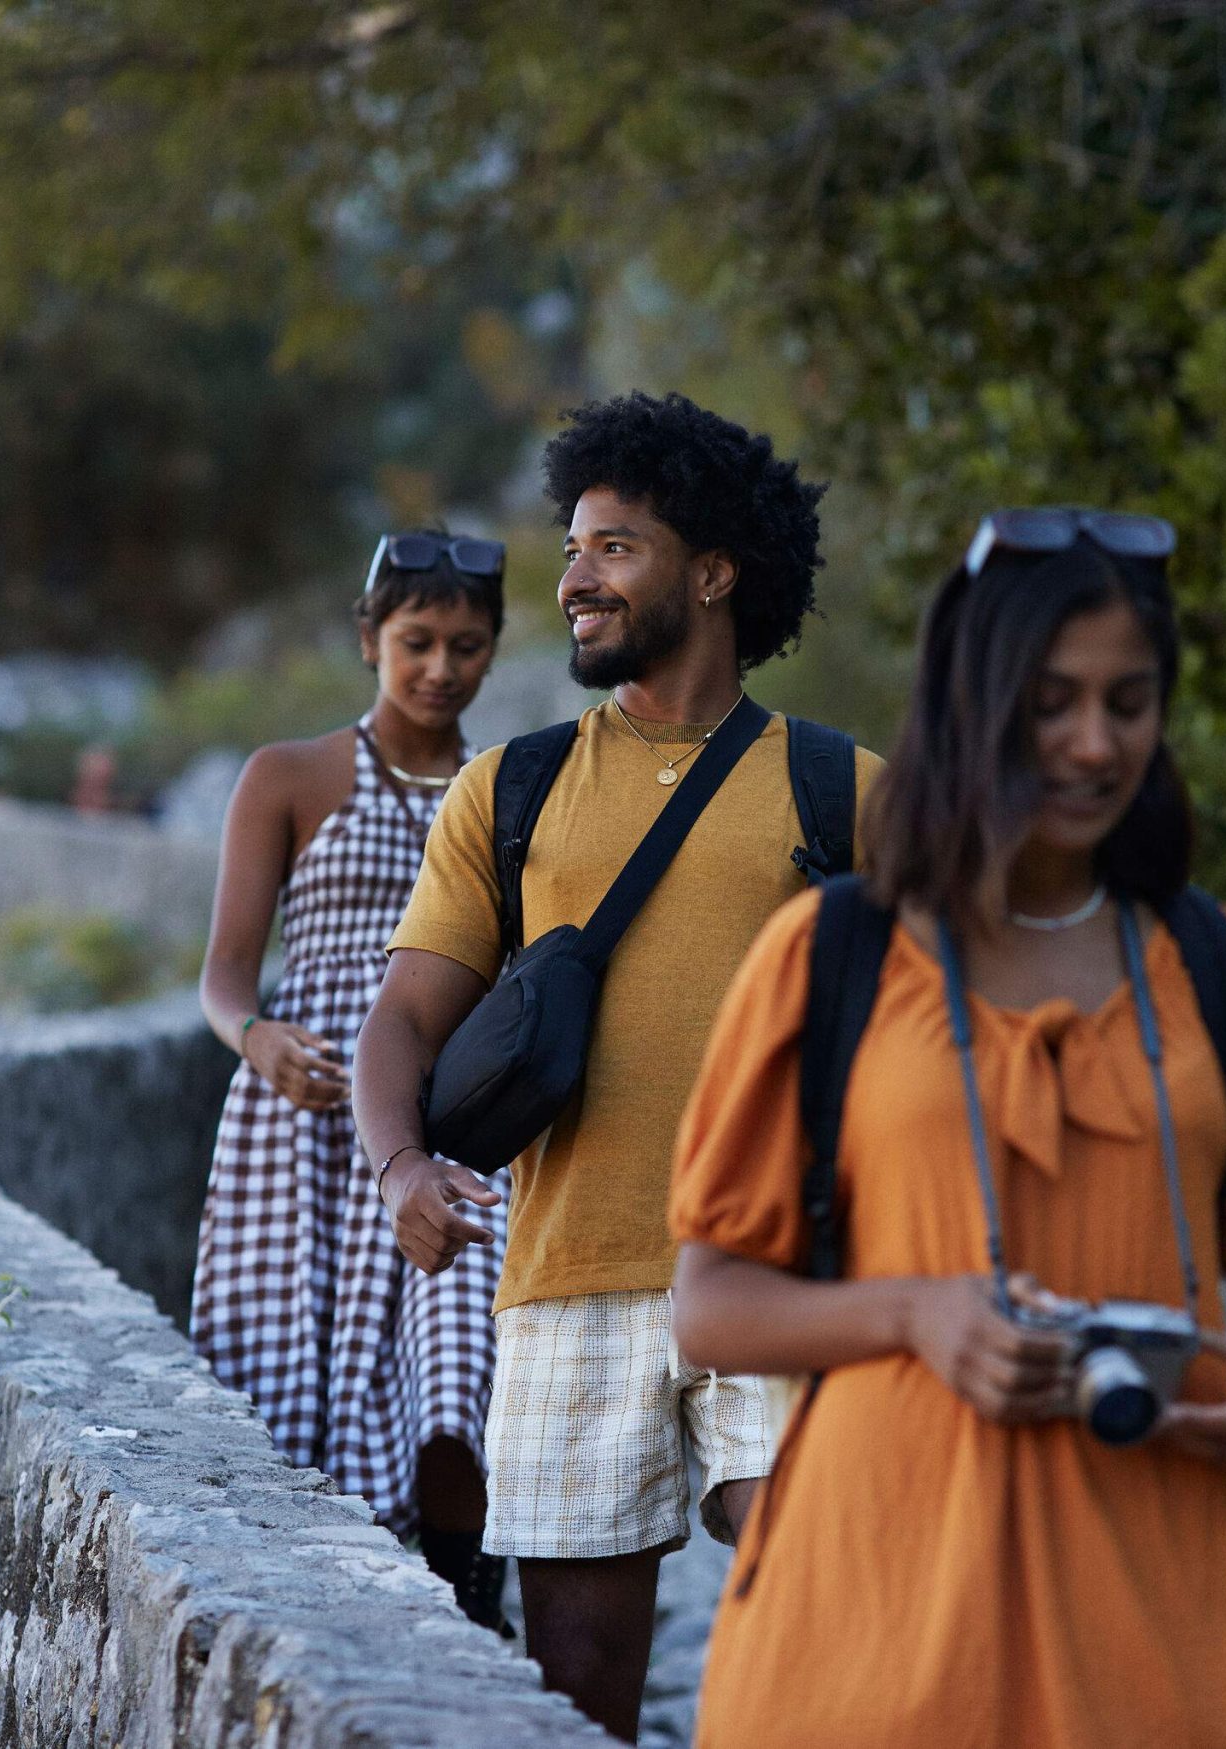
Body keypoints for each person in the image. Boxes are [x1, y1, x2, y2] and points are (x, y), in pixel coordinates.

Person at [667, 507, 1226, 1748]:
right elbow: (709, 1307)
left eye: (1128, 703)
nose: (1093, 745)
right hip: (878, 1598)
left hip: (1165, 1592)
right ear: (974, 704)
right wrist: (917, 1312)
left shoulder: (1217, 967)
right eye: (1049, 703)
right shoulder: (830, 959)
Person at [352, 391, 881, 1741]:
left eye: (615, 547)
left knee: (828, 1664)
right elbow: (403, 1017)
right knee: (578, 1704)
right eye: (574, 546)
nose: (575, 579)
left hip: (784, 1277)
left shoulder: (846, 791)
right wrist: (402, 1159)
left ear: (713, 572)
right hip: (569, 1280)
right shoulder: (511, 791)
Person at [189, 530, 512, 1629]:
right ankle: (327, 1610)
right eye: (416, 641)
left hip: (455, 1105)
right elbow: (224, 975)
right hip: (305, 1121)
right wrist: (257, 1038)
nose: (439, 669)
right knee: (292, 1375)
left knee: (458, 1344)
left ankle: (468, 1594)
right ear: (368, 638)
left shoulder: (505, 786)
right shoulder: (288, 776)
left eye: (465, 646)